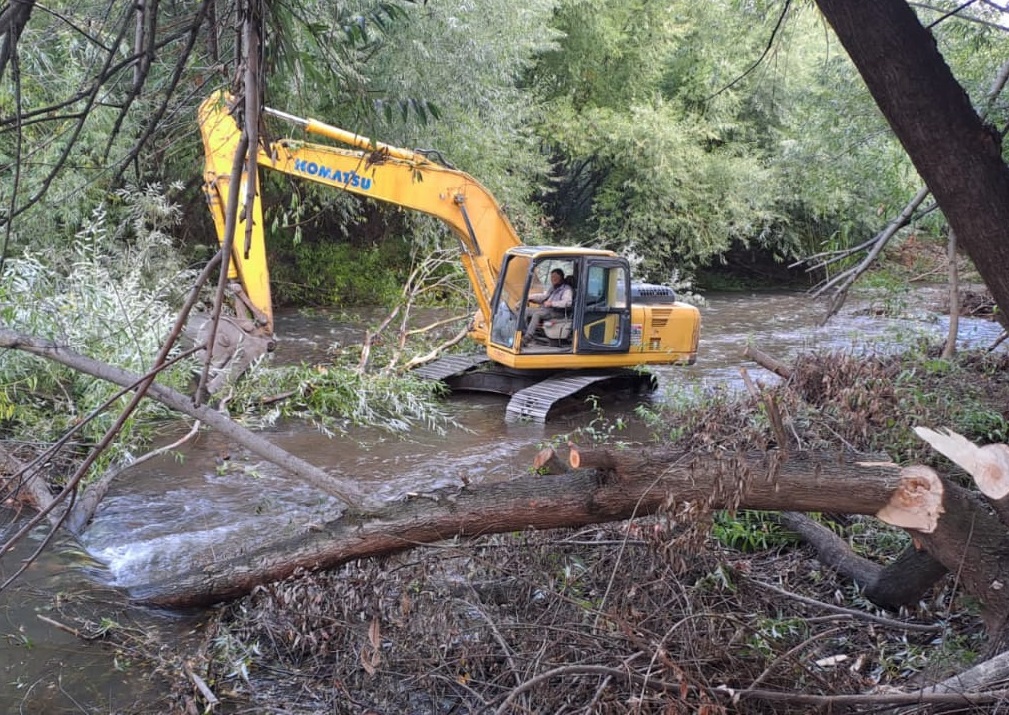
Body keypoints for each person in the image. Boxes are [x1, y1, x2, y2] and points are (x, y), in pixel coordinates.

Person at [524, 268, 574, 346]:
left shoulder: (567, 289)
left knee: (537, 314)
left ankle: (528, 337)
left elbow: (567, 303)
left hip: (558, 312)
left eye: (555, 277)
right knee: (526, 310)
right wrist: (530, 297)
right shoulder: (553, 288)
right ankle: (523, 332)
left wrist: (552, 303)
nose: (552, 279)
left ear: (561, 277)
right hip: (546, 309)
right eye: (551, 277)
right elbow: (544, 296)